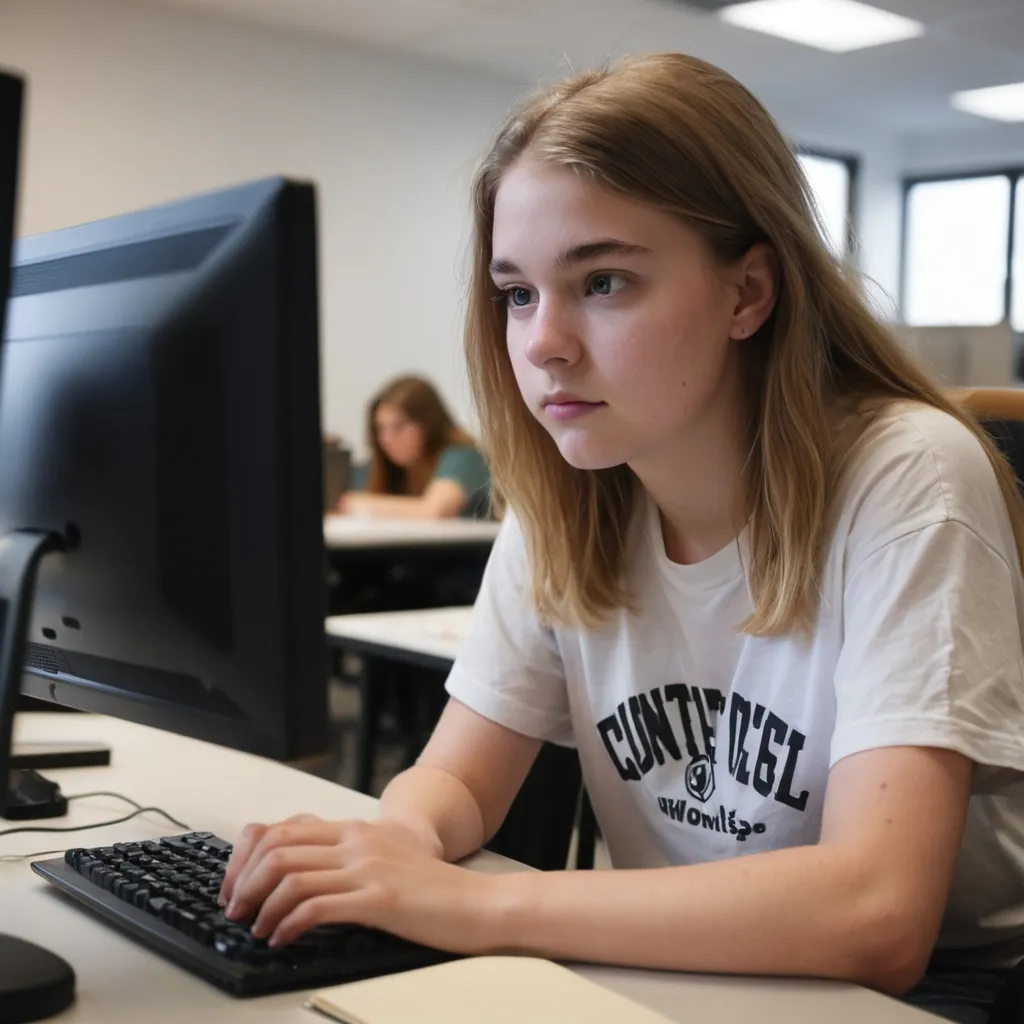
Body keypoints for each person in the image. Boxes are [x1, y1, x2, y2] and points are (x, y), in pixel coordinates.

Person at [220, 54, 1024, 1022]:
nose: (542, 341)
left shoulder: (907, 473)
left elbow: (876, 914)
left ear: (747, 293)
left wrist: (475, 903)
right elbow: (459, 783)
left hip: (935, 983)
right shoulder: (568, 490)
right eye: (517, 292)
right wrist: (398, 842)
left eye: (602, 281)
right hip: (680, 969)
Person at [337, 375, 491, 520]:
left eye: (399, 426)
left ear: (428, 424)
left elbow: (434, 511)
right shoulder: (383, 467)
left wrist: (349, 503)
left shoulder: (465, 455)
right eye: (380, 428)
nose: (386, 439)